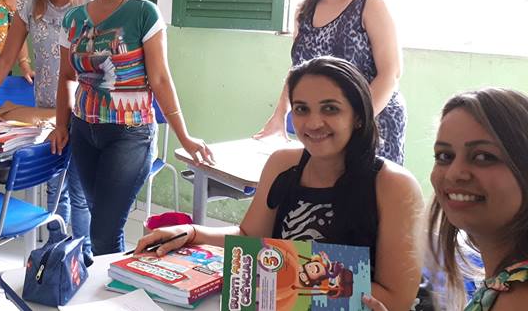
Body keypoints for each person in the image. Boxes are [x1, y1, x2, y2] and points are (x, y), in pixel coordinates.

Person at [136, 56, 424, 311]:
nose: (313, 123)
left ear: (358, 116)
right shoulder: (283, 163)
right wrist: (191, 232)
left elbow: (396, 300)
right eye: (301, 109)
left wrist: (281, 275)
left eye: (330, 109)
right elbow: (250, 236)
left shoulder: (393, 186)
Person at [52, 0, 213, 255]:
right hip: (83, 131)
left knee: (104, 231)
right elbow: (67, 77)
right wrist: (61, 125)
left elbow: (160, 79)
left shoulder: (144, 14)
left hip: (130, 133)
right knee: (101, 218)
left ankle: (114, 285)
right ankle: (117, 278)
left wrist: (184, 136)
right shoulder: (73, 19)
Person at [0, 0, 94, 254]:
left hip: (86, 108)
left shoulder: (91, 1)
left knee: (80, 191)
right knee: (56, 187)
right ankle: (56, 254)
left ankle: (85, 254)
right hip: (49, 110)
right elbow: (5, 60)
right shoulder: (29, 6)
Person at [364, 88, 528, 311]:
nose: (454, 174)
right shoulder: (503, 284)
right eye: (445, 156)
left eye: (483, 156)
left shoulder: (518, 296)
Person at [256, 0, 406, 164]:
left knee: (366, 186)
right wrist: (279, 115)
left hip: (374, 121)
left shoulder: (371, 4)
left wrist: (356, 124)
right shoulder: (304, 10)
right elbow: (298, 70)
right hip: (326, 124)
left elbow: (390, 74)